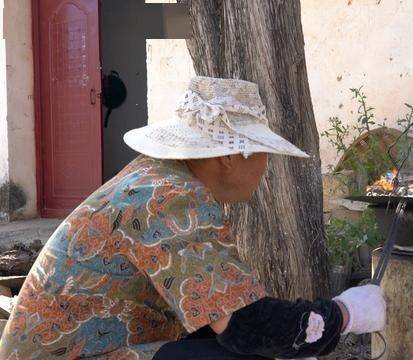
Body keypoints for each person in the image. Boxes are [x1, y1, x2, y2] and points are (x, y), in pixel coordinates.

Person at [0, 77, 386, 359]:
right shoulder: (173, 198)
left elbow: (218, 313)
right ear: (231, 157)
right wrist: (344, 313)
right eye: (263, 152)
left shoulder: (158, 178)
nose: (267, 167)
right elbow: (243, 327)